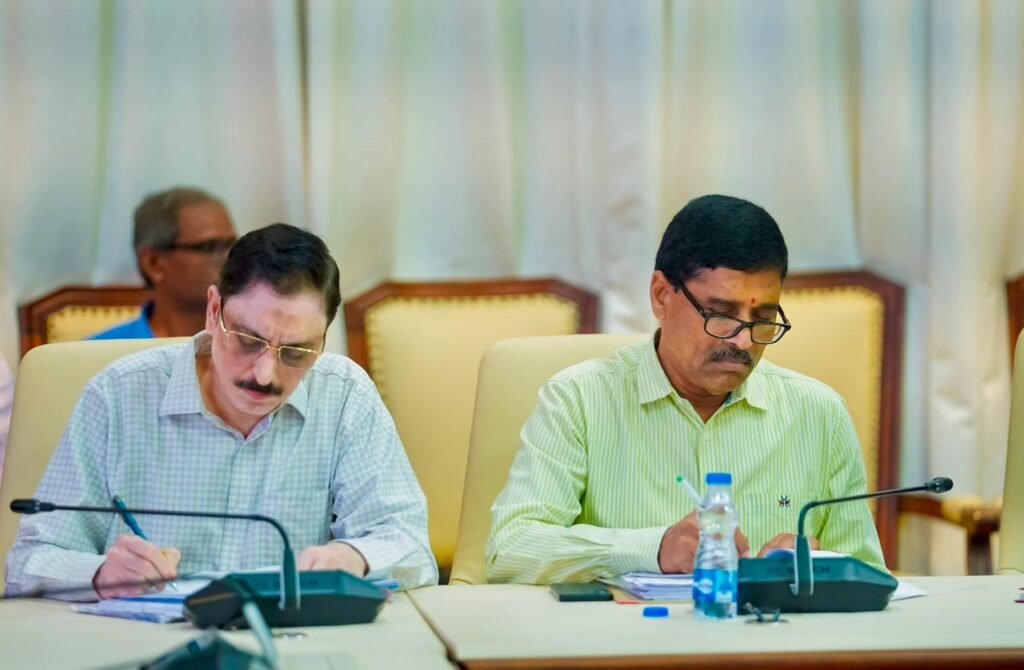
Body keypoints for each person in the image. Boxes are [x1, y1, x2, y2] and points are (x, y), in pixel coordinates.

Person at [7, 223, 438, 599]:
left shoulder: (343, 396)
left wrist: (355, 556)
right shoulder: (117, 395)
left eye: (297, 352)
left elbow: (412, 548)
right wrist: (101, 574)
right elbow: (29, 563)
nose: (265, 375)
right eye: (249, 341)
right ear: (214, 311)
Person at [486, 194, 885, 584]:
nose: (743, 341)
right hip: (621, 629)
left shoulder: (819, 413)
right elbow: (511, 549)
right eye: (721, 314)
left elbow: (869, 576)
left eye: (763, 318)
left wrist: (816, 569)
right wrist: (654, 549)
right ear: (661, 295)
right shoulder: (578, 399)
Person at [91, 187, 237, 339]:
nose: (229, 258)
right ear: (153, 264)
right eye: (211, 247)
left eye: (232, 244)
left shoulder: (250, 343)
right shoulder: (104, 350)